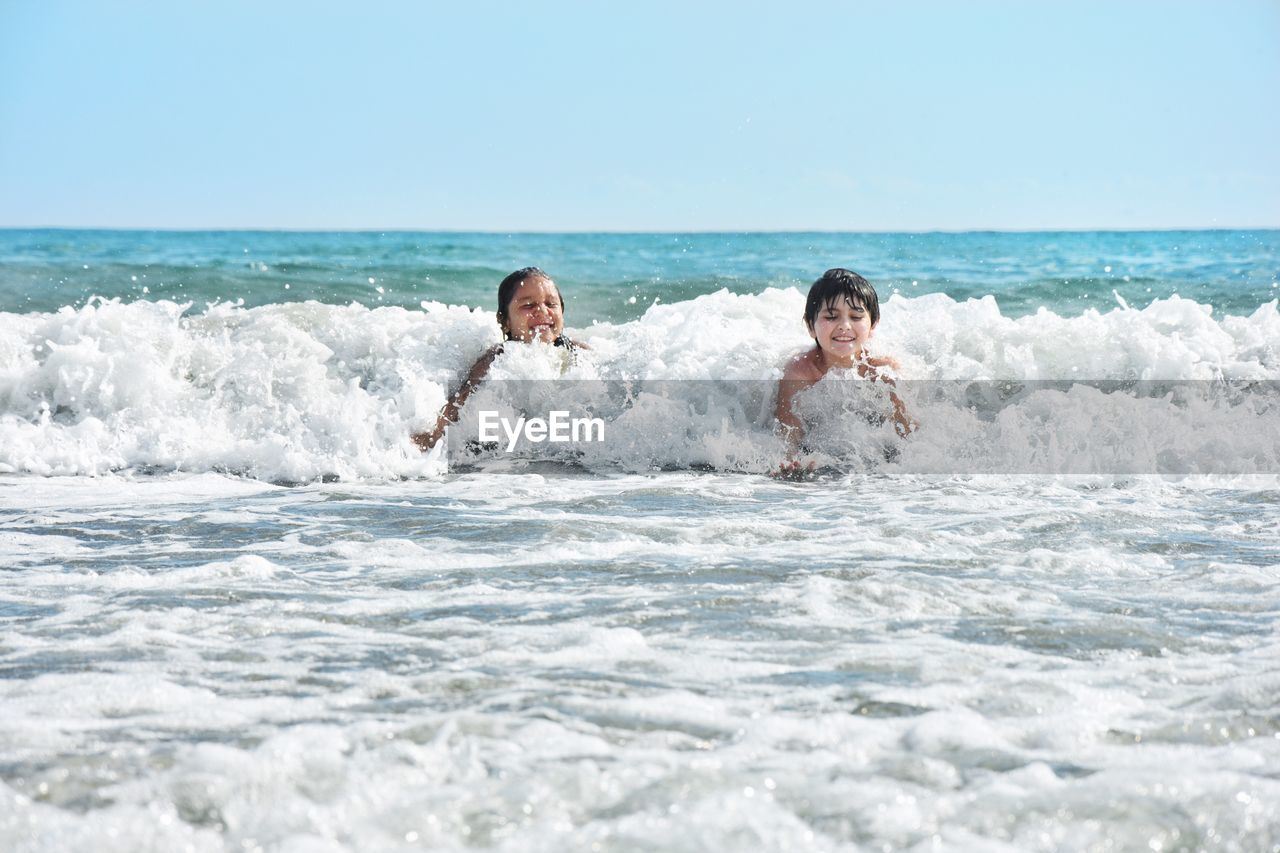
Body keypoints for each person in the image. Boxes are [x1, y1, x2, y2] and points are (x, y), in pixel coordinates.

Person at [412, 267, 588, 452]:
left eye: (551, 304)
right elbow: (462, 396)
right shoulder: (497, 357)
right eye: (528, 305)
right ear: (505, 322)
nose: (542, 311)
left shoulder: (577, 351)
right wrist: (433, 437)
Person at [773, 268, 914, 472]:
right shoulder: (801, 372)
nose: (844, 325)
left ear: (873, 325)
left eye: (856, 317)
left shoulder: (882, 370)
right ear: (811, 326)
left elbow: (908, 432)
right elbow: (788, 432)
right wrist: (790, 461)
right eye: (831, 317)